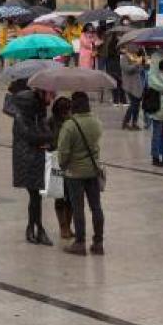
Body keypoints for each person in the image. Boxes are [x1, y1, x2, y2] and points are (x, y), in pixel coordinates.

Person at [56, 92, 104, 255]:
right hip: (92, 170)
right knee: (96, 207)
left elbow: (63, 152)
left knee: (78, 208)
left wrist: (63, 165)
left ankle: (80, 242)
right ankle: (98, 242)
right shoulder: (96, 122)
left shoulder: (69, 126)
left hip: (74, 173)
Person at [11, 87, 54, 246]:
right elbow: (31, 136)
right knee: (35, 195)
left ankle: (33, 228)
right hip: (26, 159)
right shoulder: (23, 115)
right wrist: (48, 137)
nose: (52, 97)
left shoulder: (38, 113)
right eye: (50, 93)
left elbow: (44, 132)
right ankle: (37, 229)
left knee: (36, 197)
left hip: (36, 157)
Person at [48, 95, 74, 240]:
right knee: (59, 196)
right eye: (63, 111)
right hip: (56, 162)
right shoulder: (51, 122)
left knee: (70, 197)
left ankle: (68, 226)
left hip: (70, 163)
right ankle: (62, 226)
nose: (66, 113)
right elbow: (48, 139)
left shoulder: (72, 122)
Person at [120, 48, 147, 130]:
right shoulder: (124, 58)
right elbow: (127, 69)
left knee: (137, 105)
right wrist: (137, 64)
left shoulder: (135, 57)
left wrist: (142, 63)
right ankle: (126, 122)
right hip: (129, 84)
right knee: (133, 104)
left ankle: (134, 122)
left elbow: (140, 70)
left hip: (137, 84)